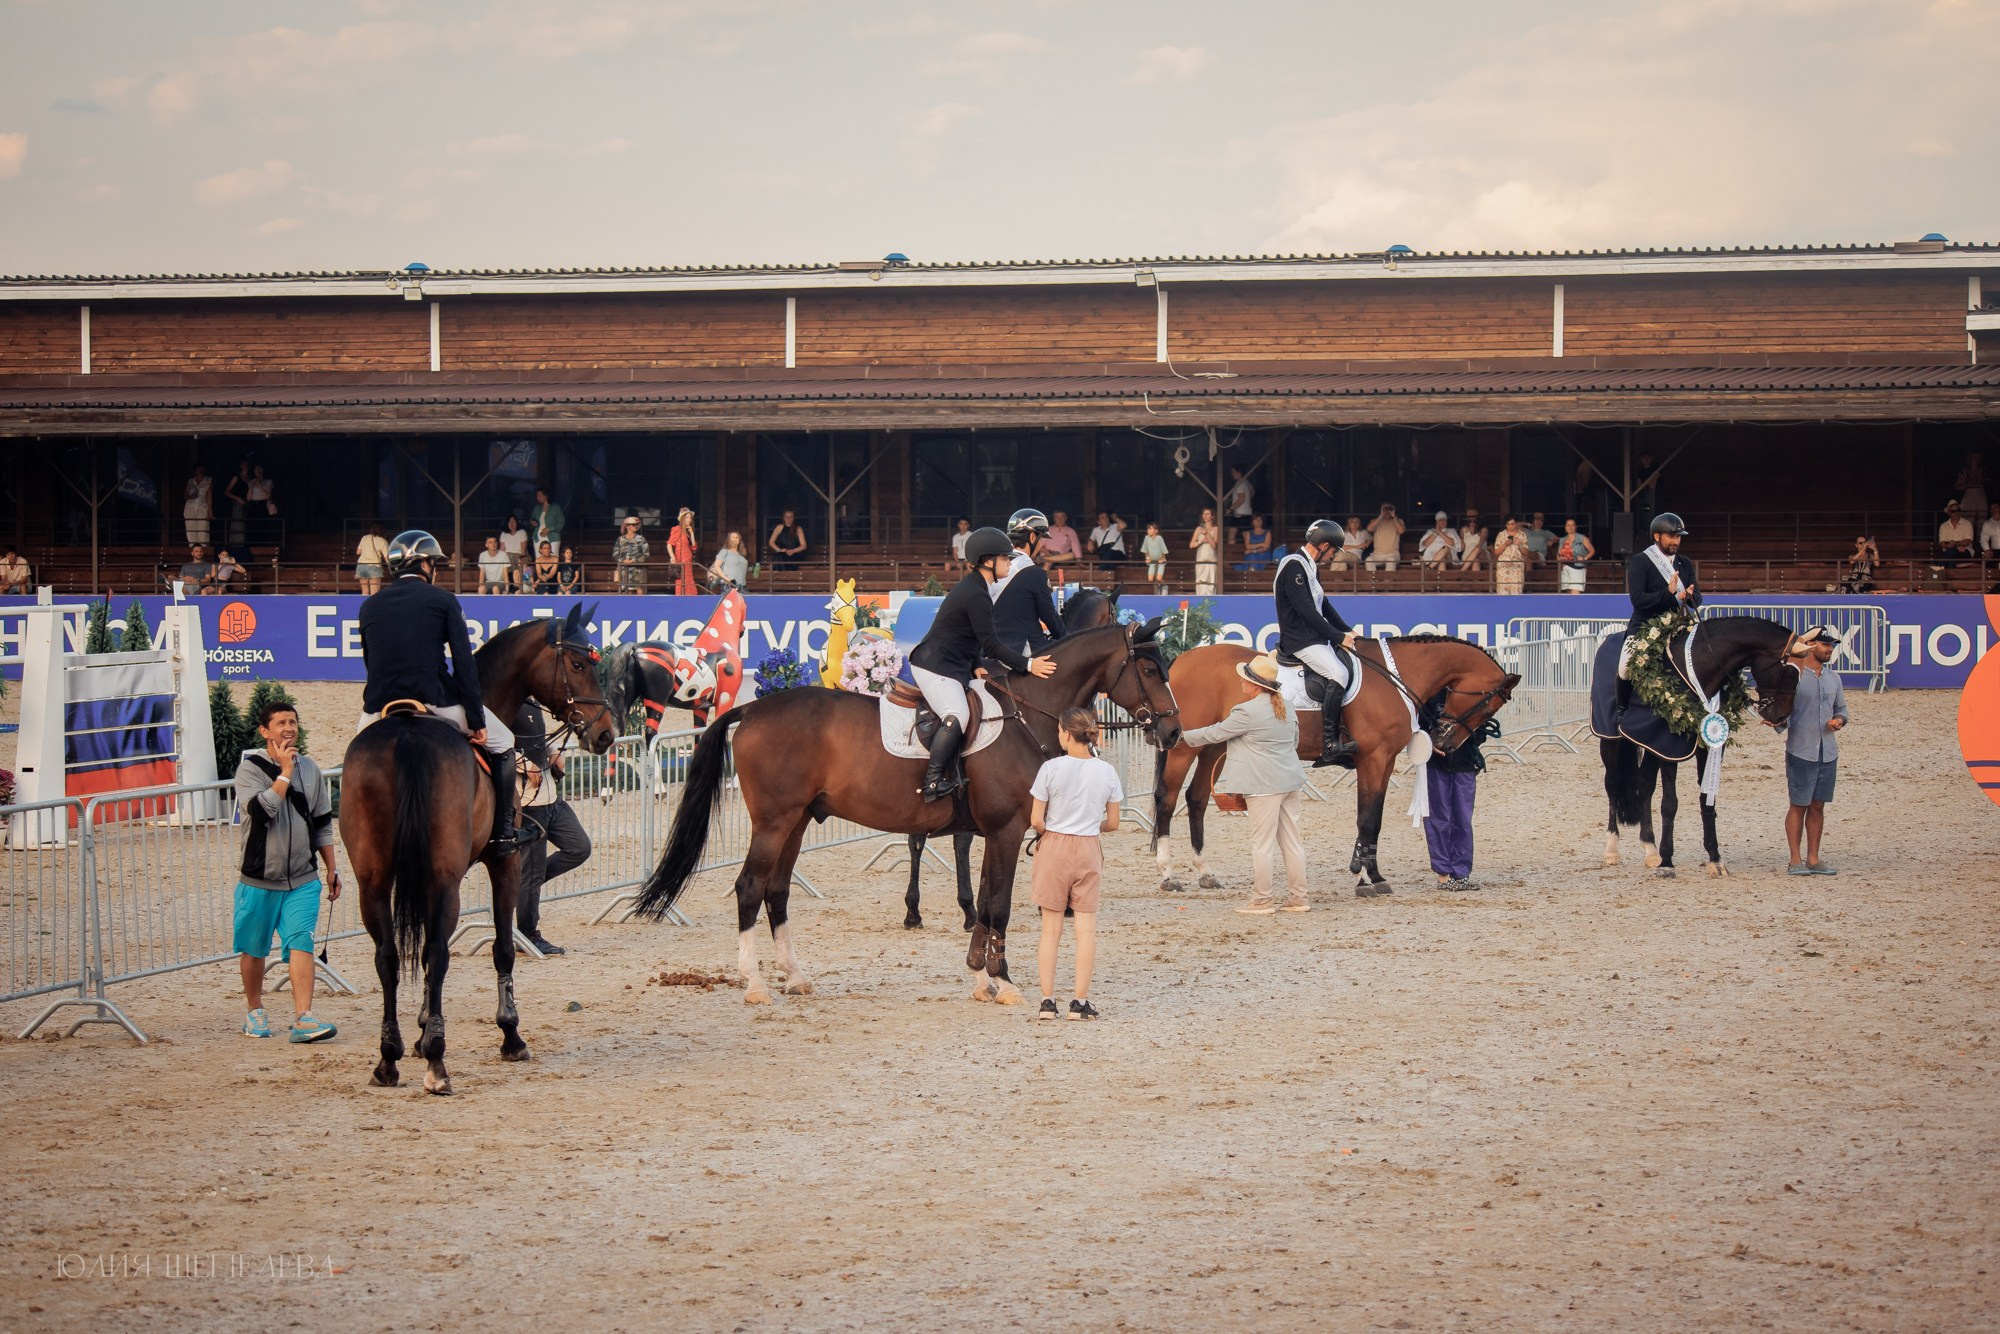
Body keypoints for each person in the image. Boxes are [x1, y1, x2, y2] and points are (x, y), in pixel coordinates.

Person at [356, 530, 526, 849]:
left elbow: (371, 663)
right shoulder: (444, 601)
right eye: (434, 563)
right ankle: (504, 831)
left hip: (379, 705)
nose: (435, 569)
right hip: (435, 699)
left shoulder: (369, 606)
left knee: (355, 755)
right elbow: (463, 664)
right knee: (505, 742)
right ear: (423, 564)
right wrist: (476, 720)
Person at [907, 527, 1055, 801]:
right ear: (989, 561)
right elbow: (993, 645)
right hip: (934, 665)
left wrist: (976, 663)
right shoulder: (976, 594)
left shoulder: (978, 588)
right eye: (1005, 558)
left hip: (953, 663)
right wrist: (1029, 664)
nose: (1010, 563)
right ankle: (932, 782)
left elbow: (973, 636)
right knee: (957, 715)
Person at [232, 698, 341, 1043]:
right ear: (265, 731)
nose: (289, 728)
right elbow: (262, 811)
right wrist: (284, 773)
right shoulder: (249, 770)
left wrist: (331, 869)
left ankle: (304, 1018)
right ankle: (254, 1011)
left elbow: (323, 823)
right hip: (258, 879)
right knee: (254, 948)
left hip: (303, 880)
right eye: (280, 723)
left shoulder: (311, 769)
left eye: (293, 722)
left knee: (301, 945)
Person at [1178, 652, 1311, 914]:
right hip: (1290, 781)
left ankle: (1262, 899)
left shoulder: (1246, 711)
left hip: (1262, 787)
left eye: (1244, 679)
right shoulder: (1287, 706)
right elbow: (1293, 743)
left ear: (1255, 684)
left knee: (1261, 844)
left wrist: (1182, 737)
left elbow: (1215, 733)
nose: (1241, 683)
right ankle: (1299, 898)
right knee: (1292, 843)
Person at [1028, 707, 1121, 1020]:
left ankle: (1047, 1001)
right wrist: (1091, 825)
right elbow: (1114, 822)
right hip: (1088, 846)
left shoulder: (1051, 768)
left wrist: (1051, 831)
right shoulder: (1107, 771)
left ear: (1066, 734)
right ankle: (1079, 1003)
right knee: (1086, 930)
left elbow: (1036, 820)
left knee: (1050, 930)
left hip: (1054, 844)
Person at [1276, 519, 1358, 766]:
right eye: (1333, 550)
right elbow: (1306, 612)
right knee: (1339, 674)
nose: (1333, 555)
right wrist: (1337, 637)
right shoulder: (1293, 566)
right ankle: (1330, 742)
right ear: (1323, 545)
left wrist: (1348, 630)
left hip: (1314, 637)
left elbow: (1324, 606)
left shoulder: (1311, 567)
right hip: (1299, 640)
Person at [514, 703, 592, 955]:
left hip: (551, 797)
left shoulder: (530, 702)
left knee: (579, 847)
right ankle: (527, 935)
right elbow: (493, 742)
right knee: (531, 875)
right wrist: (523, 763)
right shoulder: (503, 702)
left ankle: (521, 885)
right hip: (527, 803)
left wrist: (553, 752)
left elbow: (539, 739)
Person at [1771, 627, 1848, 876]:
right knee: (1798, 805)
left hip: (1828, 752)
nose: (1830, 649)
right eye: (1826, 645)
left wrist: (1839, 721)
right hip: (1801, 752)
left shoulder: (1833, 678)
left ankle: (1813, 859)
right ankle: (1795, 859)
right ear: (1811, 646)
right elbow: (1782, 712)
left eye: (1832, 645)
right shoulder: (1794, 676)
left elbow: (1842, 710)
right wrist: (1776, 721)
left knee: (1818, 805)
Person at [1615, 513, 1700, 715]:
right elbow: (1638, 600)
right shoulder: (1640, 561)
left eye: (1678, 537)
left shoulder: (1685, 563)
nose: (1676, 541)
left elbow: (1697, 597)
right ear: (1656, 537)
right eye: (1671, 536)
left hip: (1679, 625)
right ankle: (1621, 711)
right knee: (1625, 667)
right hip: (1645, 626)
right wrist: (1667, 593)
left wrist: (1689, 596)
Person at [1421, 692, 1500, 891]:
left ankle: (1461, 873)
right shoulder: (1432, 696)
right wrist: (1428, 744)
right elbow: (1419, 729)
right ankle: (1443, 874)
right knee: (1438, 818)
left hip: (1464, 765)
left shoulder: (1472, 695)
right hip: (1436, 766)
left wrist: (1466, 735)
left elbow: (1480, 732)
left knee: (1463, 819)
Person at [991, 508, 1066, 668]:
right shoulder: (1035, 574)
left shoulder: (991, 567)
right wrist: (1069, 639)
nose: (1041, 544)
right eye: (1041, 539)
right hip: (1023, 651)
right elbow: (1049, 617)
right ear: (1032, 537)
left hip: (988, 650)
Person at [1556, 519, 1595, 593]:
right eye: (1568, 525)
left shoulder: (1582, 538)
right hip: (1565, 568)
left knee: (1575, 594)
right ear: (1565, 527)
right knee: (1568, 593)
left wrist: (1585, 558)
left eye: (1572, 525)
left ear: (1576, 527)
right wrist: (1559, 558)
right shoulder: (1562, 540)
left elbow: (1592, 551)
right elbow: (1558, 555)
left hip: (1578, 568)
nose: (1570, 527)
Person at [1189, 507, 1221, 594]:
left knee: (1211, 585)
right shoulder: (1198, 529)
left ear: (1212, 516)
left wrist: (1207, 534)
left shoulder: (1216, 529)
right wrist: (1201, 541)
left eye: (1208, 514)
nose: (1205, 516)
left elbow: (1214, 545)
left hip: (1211, 561)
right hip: (1201, 560)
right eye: (1204, 514)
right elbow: (1191, 545)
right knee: (1200, 585)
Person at [668, 507, 699, 596]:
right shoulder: (677, 529)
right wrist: (672, 556)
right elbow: (669, 544)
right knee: (681, 580)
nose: (689, 520)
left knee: (689, 579)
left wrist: (692, 533)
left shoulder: (688, 532)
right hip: (680, 559)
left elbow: (694, 548)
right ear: (682, 518)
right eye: (687, 517)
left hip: (688, 561)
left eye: (690, 518)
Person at [614, 516, 650, 591]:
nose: (636, 526)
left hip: (638, 570)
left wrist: (634, 560)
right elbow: (615, 554)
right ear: (627, 526)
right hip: (624, 569)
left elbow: (646, 554)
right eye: (633, 525)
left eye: (637, 524)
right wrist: (623, 561)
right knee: (627, 591)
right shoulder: (621, 539)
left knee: (640, 590)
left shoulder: (641, 538)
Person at [1493, 518, 1529, 594]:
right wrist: (1505, 544)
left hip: (1517, 567)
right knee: (1502, 592)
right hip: (1503, 567)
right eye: (1508, 524)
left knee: (1516, 591)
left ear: (1516, 524)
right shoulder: (1501, 535)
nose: (1510, 526)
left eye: (1512, 524)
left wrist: (1520, 545)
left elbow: (1526, 552)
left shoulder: (1522, 534)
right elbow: (1496, 552)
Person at [223, 459, 252, 550]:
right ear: (240, 465)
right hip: (238, 502)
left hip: (248, 502)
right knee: (238, 523)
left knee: (247, 524)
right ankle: (237, 544)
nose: (245, 466)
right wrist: (238, 498)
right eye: (244, 464)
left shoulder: (250, 478)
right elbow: (226, 492)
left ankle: (246, 544)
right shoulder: (237, 477)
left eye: (247, 464)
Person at [1365, 503, 1405, 571]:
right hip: (1377, 554)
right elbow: (1369, 529)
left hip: (1393, 554)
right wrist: (1381, 515)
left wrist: (1394, 516)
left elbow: (1401, 531)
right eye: (1385, 509)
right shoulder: (1375, 521)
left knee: (1391, 561)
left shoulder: (1399, 521)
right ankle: (1373, 580)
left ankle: (1388, 581)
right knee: (1368, 560)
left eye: (1389, 509)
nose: (1387, 511)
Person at [355, 522, 390, 596]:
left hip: (361, 566)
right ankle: (373, 607)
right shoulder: (383, 541)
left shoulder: (365, 538)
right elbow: (386, 556)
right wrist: (391, 566)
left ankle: (364, 606)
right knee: (374, 592)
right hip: (374, 566)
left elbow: (358, 552)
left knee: (364, 591)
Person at [246, 464, 276, 550]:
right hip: (253, 505)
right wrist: (251, 485)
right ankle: (252, 547)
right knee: (252, 527)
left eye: (260, 469)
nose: (258, 471)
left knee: (262, 526)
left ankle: (263, 547)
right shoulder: (251, 481)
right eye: (256, 470)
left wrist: (259, 484)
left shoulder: (268, 481)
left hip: (262, 505)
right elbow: (248, 497)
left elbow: (267, 496)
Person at [1224, 466, 1256, 547]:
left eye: (1233, 472)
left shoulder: (1240, 483)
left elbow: (1241, 498)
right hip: (1247, 512)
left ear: (1239, 472)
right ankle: (1250, 550)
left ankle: (1230, 552)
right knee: (1245, 534)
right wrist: (1247, 501)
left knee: (1233, 533)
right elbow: (1252, 492)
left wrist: (1230, 508)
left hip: (1240, 514)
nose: (1232, 474)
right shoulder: (1246, 482)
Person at [183, 463, 213, 547]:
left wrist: (210, 512)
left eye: (202, 469)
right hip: (190, 506)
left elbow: (209, 495)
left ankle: (203, 549)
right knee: (191, 528)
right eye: (198, 469)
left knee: (203, 528)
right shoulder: (191, 481)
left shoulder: (208, 480)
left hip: (202, 506)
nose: (200, 471)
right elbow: (185, 495)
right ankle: (192, 548)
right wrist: (191, 496)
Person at [1938, 501, 1974, 568]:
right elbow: (1942, 543)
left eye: (1958, 510)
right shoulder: (1944, 526)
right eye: (1954, 511)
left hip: (1964, 552)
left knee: (1950, 553)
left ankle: (1938, 569)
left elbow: (1968, 541)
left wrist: (1955, 544)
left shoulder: (1967, 524)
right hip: (1949, 552)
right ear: (1949, 513)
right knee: (1951, 558)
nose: (1957, 513)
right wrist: (1950, 546)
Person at [530, 487, 565, 556]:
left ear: (545, 496)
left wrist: (549, 529)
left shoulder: (555, 507)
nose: (537, 498)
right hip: (538, 537)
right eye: (537, 496)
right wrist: (533, 523)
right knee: (539, 559)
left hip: (553, 537)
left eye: (539, 495)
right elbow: (532, 519)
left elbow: (561, 523)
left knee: (553, 558)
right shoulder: (537, 508)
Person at [499, 514, 530, 588]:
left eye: (514, 521)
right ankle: (508, 586)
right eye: (509, 522)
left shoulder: (522, 532)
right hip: (507, 555)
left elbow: (523, 550)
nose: (512, 524)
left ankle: (525, 585)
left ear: (517, 523)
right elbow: (502, 549)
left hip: (519, 554)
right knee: (504, 559)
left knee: (522, 561)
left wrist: (521, 558)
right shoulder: (504, 534)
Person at [1140, 521, 1169, 592]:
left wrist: (1162, 558)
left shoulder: (1159, 538)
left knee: (1159, 578)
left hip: (1160, 561)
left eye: (1150, 529)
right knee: (1150, 579)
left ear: (1156, 530)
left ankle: (1165, 586)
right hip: (1152, 561)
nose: (1148, 531)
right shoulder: (1146, 538)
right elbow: (1145, 549)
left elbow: (1163, 549)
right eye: (1148, 529)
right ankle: (1157, 587)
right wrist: (1147, 558)